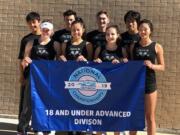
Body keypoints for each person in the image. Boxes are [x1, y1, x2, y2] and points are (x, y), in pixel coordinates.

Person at [17, 20, 59, 135]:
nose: (45, 32)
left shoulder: (55, 44)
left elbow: (59, 62)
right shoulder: (32, 42)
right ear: (41, 29)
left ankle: (45, 129)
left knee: (46, 104)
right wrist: (25, 62)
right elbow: (24, 60)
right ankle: (22, 130)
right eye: (43, 29)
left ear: (51, 31)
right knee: (28, 105)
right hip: (33, 78)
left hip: (47, 79)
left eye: (47, 30)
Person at [130, 19, 165, 135]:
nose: (143, 31)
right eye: (140, 29)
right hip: (136, 85)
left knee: (149, 117)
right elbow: (130, 64)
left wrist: (152, 65)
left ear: (150, 31)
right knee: (134, 115)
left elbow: (162, 66)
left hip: (149, 84)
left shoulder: (157, 46)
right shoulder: (133, 46)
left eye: (145, 29)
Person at [94, 25, 127, 135]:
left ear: (118, 35)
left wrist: (121, 61)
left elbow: (127, 63)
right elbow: (93, 65)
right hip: (102, 87)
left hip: (117, 86)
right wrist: (96, 60)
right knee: (100, 113)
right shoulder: (100, 48)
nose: (110, 36)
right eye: (107, 34)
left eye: (112, 34)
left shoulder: (122, 49)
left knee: (115, 113)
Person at [17, 11, 41, 132]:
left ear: (39, 21)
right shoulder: (26, 39)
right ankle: (22, 129)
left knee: (38, 104)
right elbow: (21, 60)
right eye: (29, 23)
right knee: (25, 105)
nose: (32, 25)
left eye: (34, 22)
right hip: (28, 76)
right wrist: (21, 76)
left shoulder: (46, 38)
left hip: (42, 79)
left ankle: (37, 128)